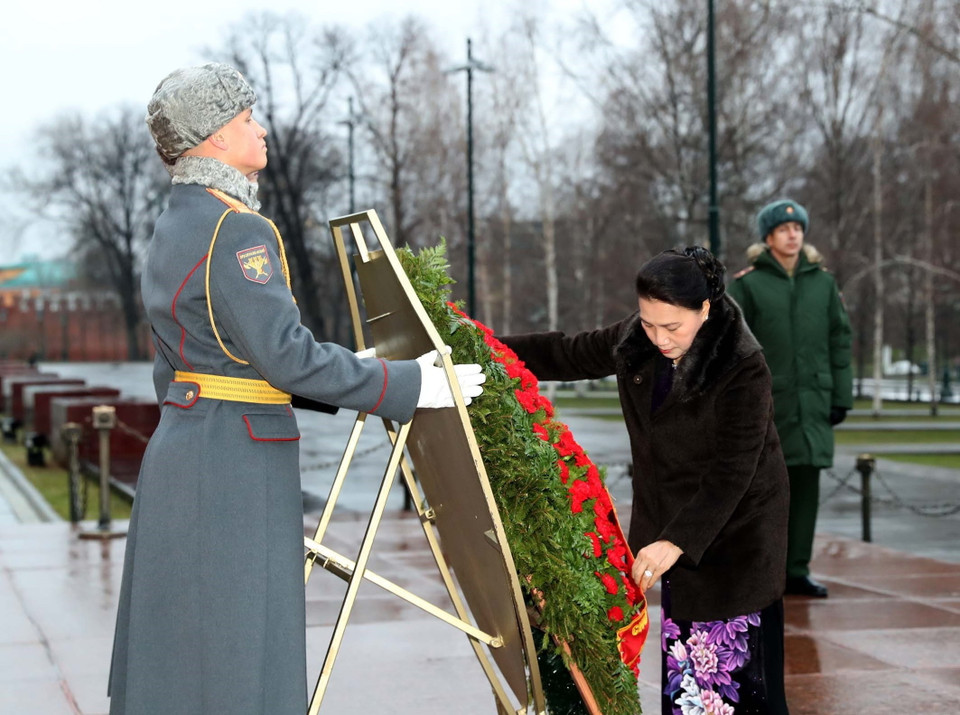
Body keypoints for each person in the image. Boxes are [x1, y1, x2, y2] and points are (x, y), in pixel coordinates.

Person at [108, 63, 484, 715]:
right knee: (239, 654)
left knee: (183, 654)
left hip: (185, 452)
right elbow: (286, 358)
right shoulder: (237, 230)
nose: (261, 130)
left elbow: (188, 364)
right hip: (234, 465)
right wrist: (409, 383)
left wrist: (350, 366)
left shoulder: (175, 223)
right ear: (215, 138)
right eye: (247, 119)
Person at [503, 247, 790, 714]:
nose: (658, 337)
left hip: (738, 536)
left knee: (737, 684)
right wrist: (482, 346)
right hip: (678, 532)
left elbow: (733, 471)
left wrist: (675, 540)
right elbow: (566, 353)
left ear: (705, 309)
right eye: (648, 322)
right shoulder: (637, 339)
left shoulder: (742, 366)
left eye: (672, 327)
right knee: (690, 682)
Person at [728, 199, 853, 599]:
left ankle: (797, 570)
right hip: (768, 404)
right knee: (762, 491)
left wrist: (841, 396)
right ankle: (762, 569)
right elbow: (729, 344)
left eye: (798, 227)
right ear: (768, 237)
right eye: (783, 229)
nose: (793, 234)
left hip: (813, 404)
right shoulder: (747, 285)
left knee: (806, 488)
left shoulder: (823, 283)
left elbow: (840, 340)